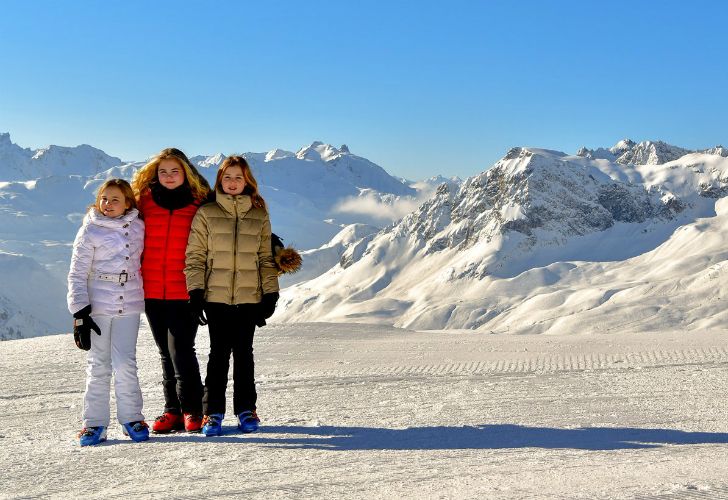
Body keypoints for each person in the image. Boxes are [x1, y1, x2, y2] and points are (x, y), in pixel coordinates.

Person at [185, 155, 280, 436]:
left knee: (244, 355)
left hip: (249, 298)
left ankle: (246, 410)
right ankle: (212, 413)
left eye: (239, 177)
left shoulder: (259, 214)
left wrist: (270, 293)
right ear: (219, 181)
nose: (233, 182)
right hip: (216, 297)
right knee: (218, 356)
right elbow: (195, 256)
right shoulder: (207, 213)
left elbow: (265, 257)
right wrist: (196, 291)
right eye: (227, 177)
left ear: (247, 181)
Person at [132, 148, 211, 433]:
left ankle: (193, 409)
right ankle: (172, 411)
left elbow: (229, 223)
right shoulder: (144, 202)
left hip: (185, 290)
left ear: (186, 172)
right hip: (152, 289)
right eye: (162, 171)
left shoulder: (200, 202)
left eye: (174, 171)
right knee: (165, 352)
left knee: (182, 350)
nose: (168, 176)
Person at [67, 179, 148, 446]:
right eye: (104, 198)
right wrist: (80, 313)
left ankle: (132, 418)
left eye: (115, 199)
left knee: (126, 362)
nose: (108, 204)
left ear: (127, 202)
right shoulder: (90, 230)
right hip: (98, 304)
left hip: (130, 302)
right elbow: (77, 272)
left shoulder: (138, 226)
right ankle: (94, 424)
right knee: (98, 364)